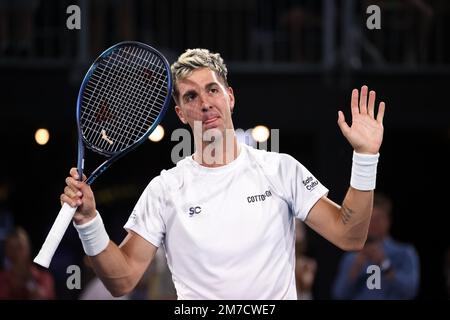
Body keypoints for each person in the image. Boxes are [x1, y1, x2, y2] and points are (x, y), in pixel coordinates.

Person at [60, 48, 386, 299]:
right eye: (191, 96)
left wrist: (365, 157)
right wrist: (89, 222)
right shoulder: (165, 189)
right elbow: (123, 281)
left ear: (229, 96)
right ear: (181, 114)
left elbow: (350, 235)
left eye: (212, 90)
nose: (204, 102)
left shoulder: (281, 170)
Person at [332, 193, 420, 299]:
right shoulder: (351, 258)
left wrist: (385, 264)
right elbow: (339, 294)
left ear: (388, 221)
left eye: (378, 219)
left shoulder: (404, 253)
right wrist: (356, 267)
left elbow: (410, 291)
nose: (373, 223)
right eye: (369, 219)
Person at [0, 227, 55, 299]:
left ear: (28, 248)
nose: (16, 253)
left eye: (19, 247)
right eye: (11, 248)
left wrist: (29, 282)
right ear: (7, 252)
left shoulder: (44, 278)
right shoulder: (2, 279)